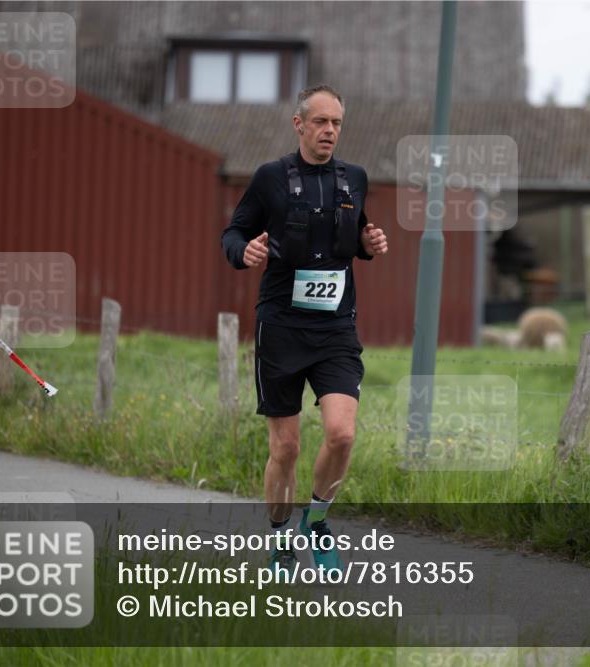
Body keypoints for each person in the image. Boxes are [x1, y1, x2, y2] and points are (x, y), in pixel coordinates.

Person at [220, 85, 388, 576]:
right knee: (286, 447)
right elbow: (233, 233)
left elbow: (355, 235)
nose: (329, 131)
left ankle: (315, 522)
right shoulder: (270, 178)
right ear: (299, 125)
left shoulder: (353, 178)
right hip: (282, 326)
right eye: (320, 122)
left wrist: (368, 241)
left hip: (335, 325)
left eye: (336, 123)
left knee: (341, 434)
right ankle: (279, 540)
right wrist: (243, 252)